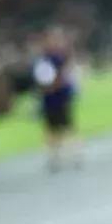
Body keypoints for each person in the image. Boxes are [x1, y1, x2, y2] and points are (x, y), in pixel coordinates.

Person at [33, 26, 81, 172]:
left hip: (61, 98)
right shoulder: (44, 59)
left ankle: (75, 154)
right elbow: (41, 79)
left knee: (68, 127)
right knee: (51, 130)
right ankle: (53, 157)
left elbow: (67, 75)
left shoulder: (61, 57)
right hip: (49, 100)